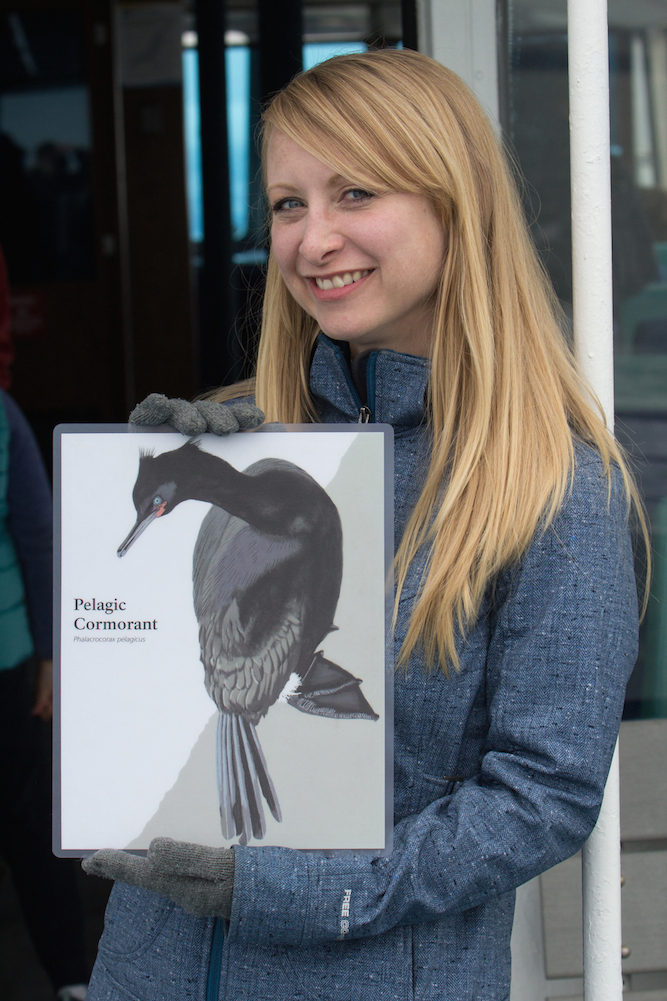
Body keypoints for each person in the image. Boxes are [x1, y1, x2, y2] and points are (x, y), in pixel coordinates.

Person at [82, 50, 643, 1001]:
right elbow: (142, 685)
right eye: (289, 203)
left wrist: (303, 890)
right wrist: (135, 510)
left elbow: (541, 797)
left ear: (453, 204)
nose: (311, 239)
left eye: (355, 192)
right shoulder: (245, 441)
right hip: (147, 969)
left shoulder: (550, 487)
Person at [0, 388, 89, 1001]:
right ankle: (71, 980)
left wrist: (53, 653)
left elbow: (38, 533)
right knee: (31, 824)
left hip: (9, 661)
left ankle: (71, 980)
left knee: (31, 824)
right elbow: (37, 533)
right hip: (11, 654)